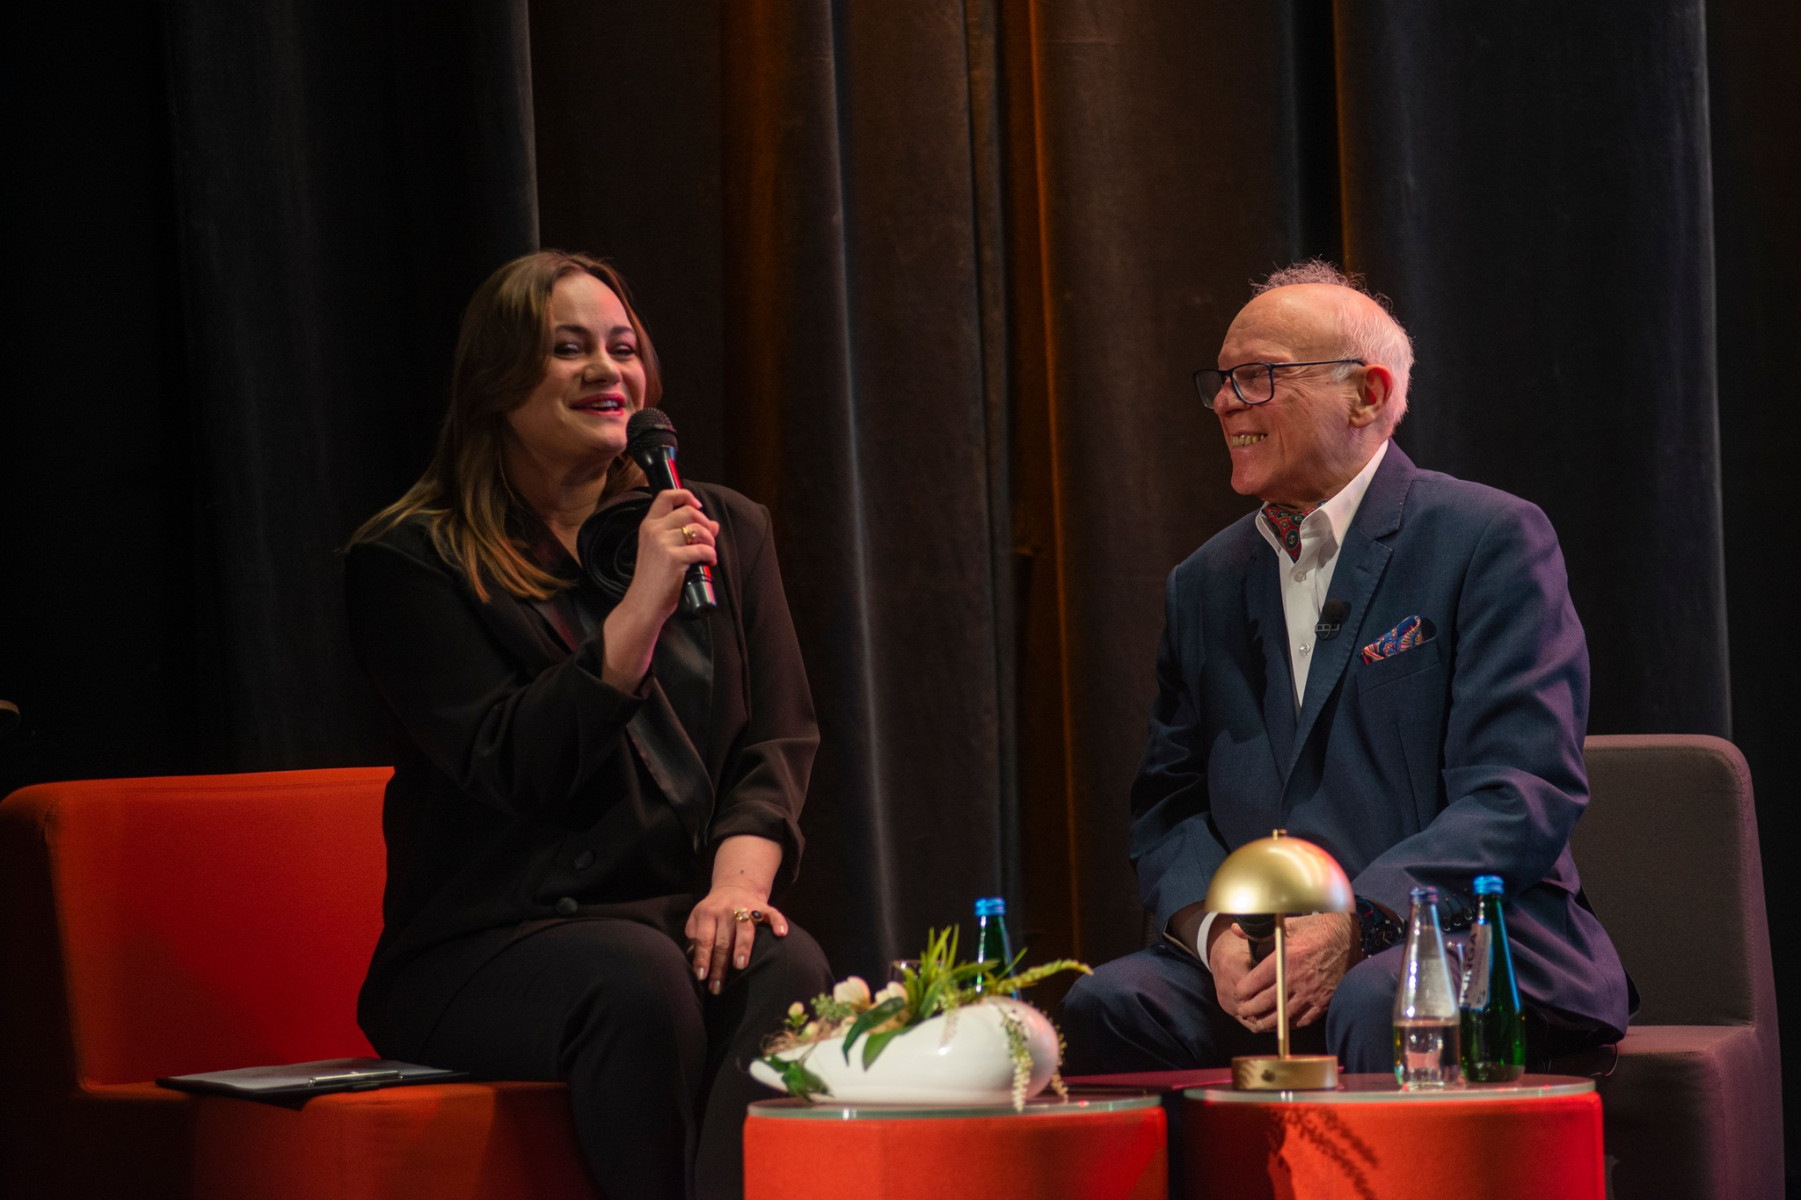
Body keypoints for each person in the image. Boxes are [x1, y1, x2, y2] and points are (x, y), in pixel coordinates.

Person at [1060, 262, 1631, 1076]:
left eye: (1257, 376)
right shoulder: (1204, 583)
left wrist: (1359, 920)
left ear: (1366, 395)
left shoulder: (1485, 539)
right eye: (1221, 382)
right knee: (1110, 1004)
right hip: (1268, 954)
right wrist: (1214, 932)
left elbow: (1521, 789)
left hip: (1461, 934)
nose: (1225, 402)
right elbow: (1169, 804)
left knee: (1381, 997)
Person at [345, 250, 831, 1199]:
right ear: (497, 382)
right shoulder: (412, 561)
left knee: (784, 962)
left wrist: (736, 889)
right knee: (635, 977)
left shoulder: (722, 529)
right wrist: (637, 614)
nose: (607, 370)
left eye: (622, 348)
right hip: (485, 942)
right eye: (568, 350)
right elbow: (510, 763)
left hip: (661, 917)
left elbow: (776, 741)